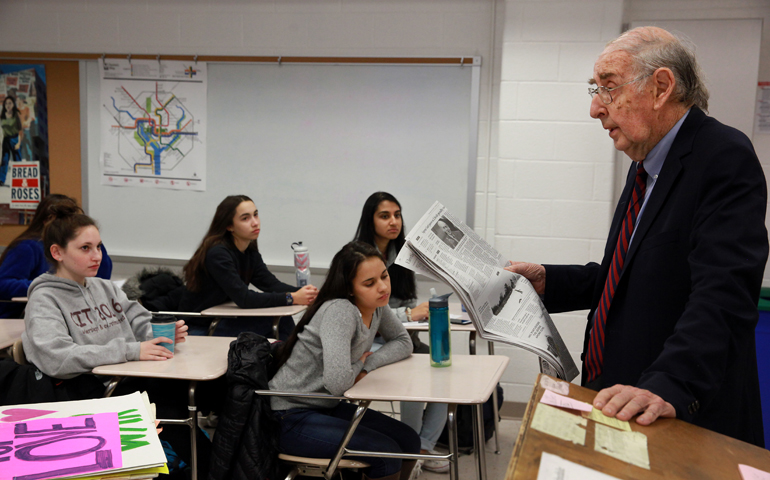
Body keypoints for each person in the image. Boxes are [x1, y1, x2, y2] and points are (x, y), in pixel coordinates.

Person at [507, 26, 768, 446]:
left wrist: (668, 385)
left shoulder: (722, 156)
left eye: (608, 88)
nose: (595, 108)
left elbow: (724, 293)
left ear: (662, 87)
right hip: (621, 396)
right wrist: (549, 281)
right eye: (595, 90)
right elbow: (630, 278)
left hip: (675, 414)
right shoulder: (644, 165)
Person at [20, 204, 221, 476]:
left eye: (99, 246)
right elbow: (58, 358)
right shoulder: (44, 299)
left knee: (213, 390)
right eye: (85, 248)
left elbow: (138, 320)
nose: (97, 256)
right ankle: (214, 471)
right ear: (57, 253)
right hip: (88, 390)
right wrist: (131, 351)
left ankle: (221, 465)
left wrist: (160, 333)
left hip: (125, 377)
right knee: (172, 403)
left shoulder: (103, 287)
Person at [270, 241, 420, 480]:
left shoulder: (376, 304)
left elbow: (403, 342)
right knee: (387, 453)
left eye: (384, 276)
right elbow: (338, 383)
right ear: (350, 288)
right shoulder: (340, 311)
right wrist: (359, 364)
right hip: (289, 415)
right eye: (369, 283)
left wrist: (367, 364)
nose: (382, 287)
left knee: (409, 440)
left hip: (325, 406)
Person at [354, 191, 449, 473]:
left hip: (400, 334)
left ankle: (424, 446)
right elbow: (362, 310)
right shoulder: (358, 256)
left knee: (441, 368)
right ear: (370, 220)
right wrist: (408, 314)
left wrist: (417, 314)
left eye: (397, 215)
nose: (393, 221)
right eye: (385, 216)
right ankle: (408, 449)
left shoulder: (403, 253)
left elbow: (407, 299)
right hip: (370, 338)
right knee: (415, 378)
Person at [179, 195, 318, 338]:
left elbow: (271, 284)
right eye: (245, 218)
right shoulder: (218, 253)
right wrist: (292, 297)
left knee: (281, 320)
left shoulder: (249, 251)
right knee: (278, 322)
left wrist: (309, 294)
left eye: (255, 215)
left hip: (222, 317)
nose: (255, 223)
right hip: (200, 326)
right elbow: (244, 299)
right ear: (229, 226)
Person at [0, 194, 113, 318]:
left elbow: (101, 277)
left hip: (73, 311)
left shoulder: (85, 245)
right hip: (21, 316)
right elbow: (3, 284)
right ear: (46, 222)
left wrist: (92, 245)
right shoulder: (28, 247)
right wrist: (50, 286)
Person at [1, 95, 23, 185]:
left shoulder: (16, 116)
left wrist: (18, 143)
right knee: (4, 160)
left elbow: (21, 131)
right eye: (6, 103)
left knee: (17, 159)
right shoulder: (2, 115)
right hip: (6, 140)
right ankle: (1, 180)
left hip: (15, 139)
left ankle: (20, 179)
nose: (8, 105)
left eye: (10, 103)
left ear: (13, 104)